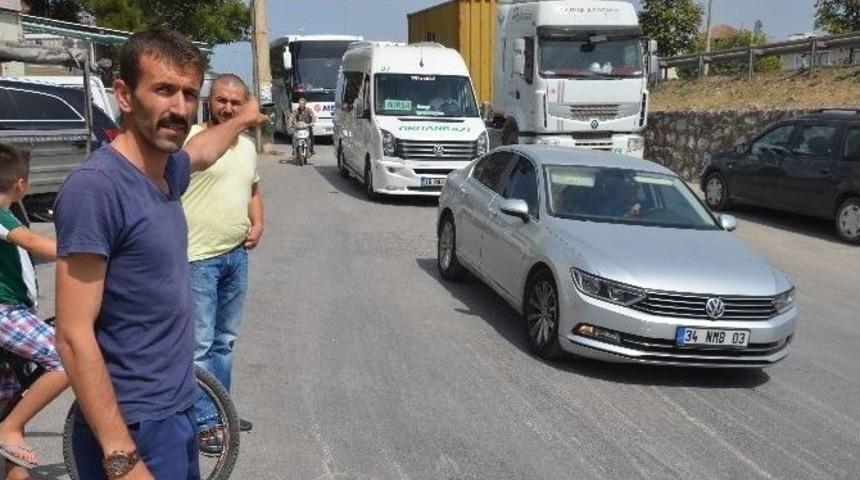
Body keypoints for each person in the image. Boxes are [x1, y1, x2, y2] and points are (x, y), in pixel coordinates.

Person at [53, 28, 266, 480]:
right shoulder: (98, 188)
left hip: (177, 406)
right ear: (125, 96)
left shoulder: (167, 171)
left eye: (189, 93)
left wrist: (243, 119)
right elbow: (72, 334)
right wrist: (120, 454)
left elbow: (203, 150)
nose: (180, 108)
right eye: (164, 90)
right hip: (135, 423)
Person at [181, 74, 264, 453]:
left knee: (224, 343)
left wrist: (257, 222)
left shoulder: (246, 147)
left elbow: (253, 188)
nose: (227, 107)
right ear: (208, 101)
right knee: (200, 346)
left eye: (235, 101)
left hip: (235, 255)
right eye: (221, 100)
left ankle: (220, 413)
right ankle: (203, 423)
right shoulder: (192, 139)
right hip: (198, 258)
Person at [0, 144, 68, 479]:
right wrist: (88, 249)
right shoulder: (0, 215)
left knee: (10, 404)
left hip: (12, 312)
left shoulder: (7, 213)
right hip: (4, 313)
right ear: (21, 184)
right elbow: (33, 242)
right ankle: (9, 427)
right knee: (68, 355)